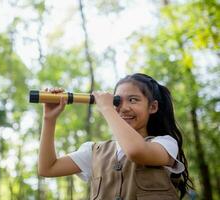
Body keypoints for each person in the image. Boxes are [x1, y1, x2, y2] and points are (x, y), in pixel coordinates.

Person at [38, 73, 193, 200]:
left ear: (152, 107)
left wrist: (107, 107)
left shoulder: (165, 144)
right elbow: (48, 168)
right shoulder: (95, 151)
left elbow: (135, 151)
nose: (124, 108)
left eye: (133, 100)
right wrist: (49, 119)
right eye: (117, 101)